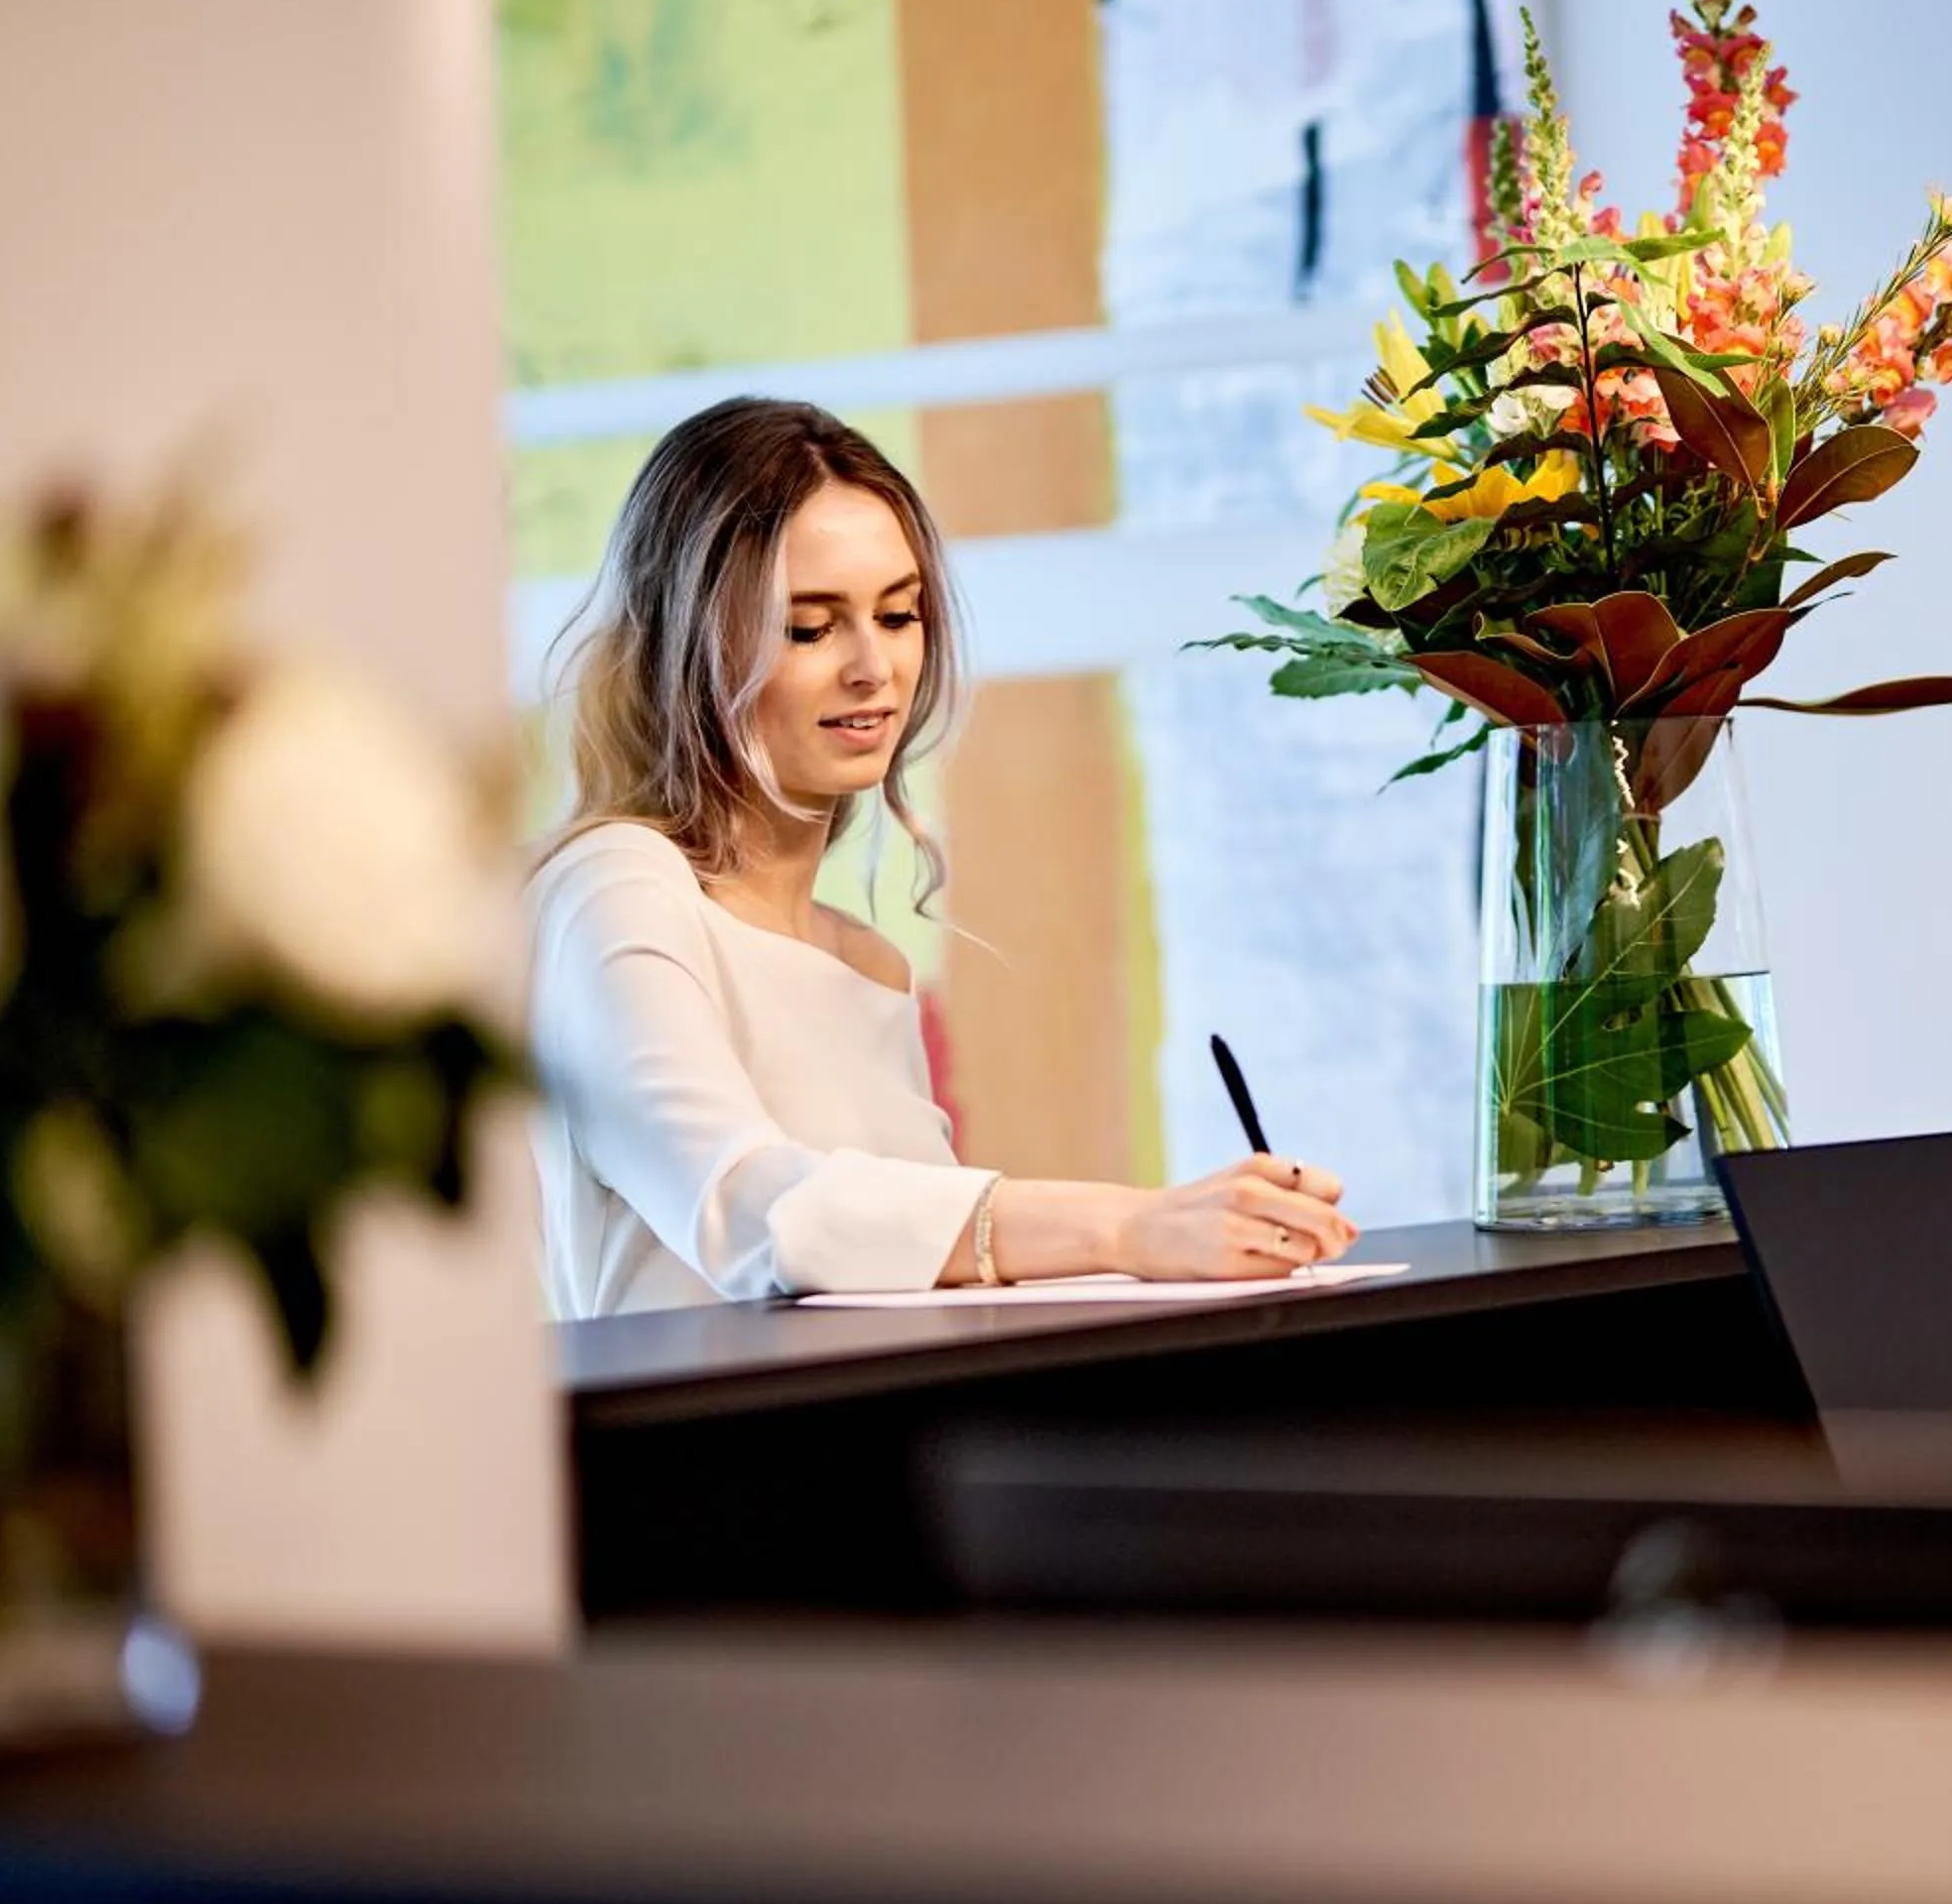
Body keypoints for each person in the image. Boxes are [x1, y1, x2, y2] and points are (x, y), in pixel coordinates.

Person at [528, 398, 1356, 1319]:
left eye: (898, 614)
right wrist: (1131, 1228)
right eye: (810, 627)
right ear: (687, 647)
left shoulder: (865, 964)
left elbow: (903, 1274)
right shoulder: (616, 887)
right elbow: (752, 1211)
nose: (873, 668)